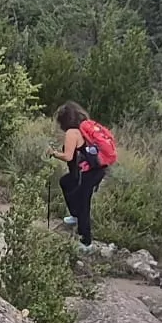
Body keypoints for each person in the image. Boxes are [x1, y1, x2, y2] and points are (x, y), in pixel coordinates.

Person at [49, 102, 108, 247]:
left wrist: (53, 153)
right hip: (96, 170)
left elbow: (68, 157)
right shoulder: (85, 128)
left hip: (89, 173)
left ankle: (86, 242)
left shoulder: (72, 132)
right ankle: (75, 215)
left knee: (83, 204)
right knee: (67, 182)